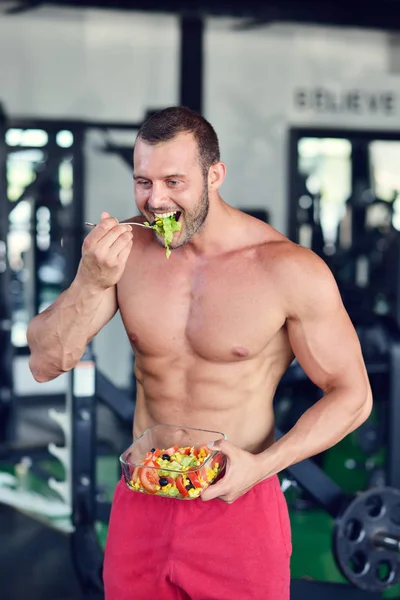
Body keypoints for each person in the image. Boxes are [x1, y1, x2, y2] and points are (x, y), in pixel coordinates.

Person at [27, 106, 372, 600]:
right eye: (143, 182)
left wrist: (265, 464)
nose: (156, 201)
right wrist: (91, 280)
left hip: (238, 503)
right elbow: (46, 361)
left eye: (173, 181)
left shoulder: (289, 269)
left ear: (215, 175)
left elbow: (354, 396)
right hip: (141, 498)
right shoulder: (124, 255)